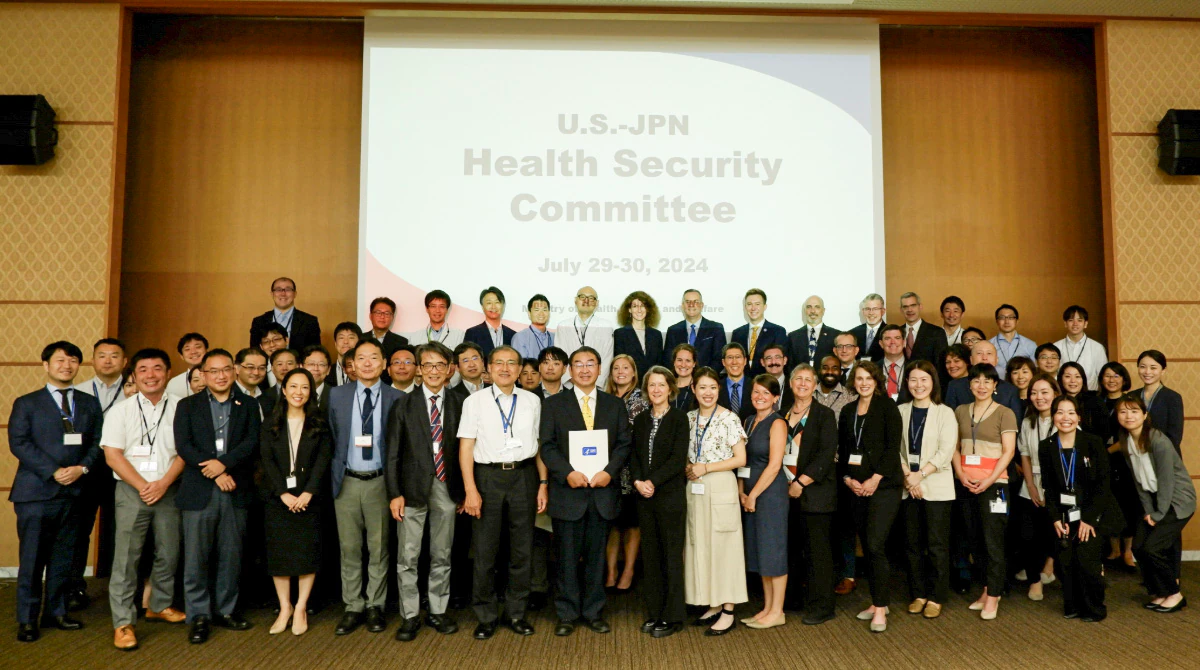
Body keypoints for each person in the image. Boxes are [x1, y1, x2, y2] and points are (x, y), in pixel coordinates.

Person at [9, 341, 103, 643]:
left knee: (65, 557)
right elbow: (19, 443)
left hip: (76, 492)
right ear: (46, 365)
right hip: (36, 493)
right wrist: (53, 471)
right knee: (33, 559)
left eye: (73, 360)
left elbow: (97, 443)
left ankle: (57, 612)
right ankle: (27, 619)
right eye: (60, 361)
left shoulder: (89, 403)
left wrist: (82, 469)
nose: (67, 365)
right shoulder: (27, 402)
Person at [540, 346, 633, 636]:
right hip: (568, 493)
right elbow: (547, 446)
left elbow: (624, 445)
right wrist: (567, 473)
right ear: (569, 370)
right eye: (578, 364)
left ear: (599, 368)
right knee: (566, 557)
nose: (584, 369)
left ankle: (593, 611)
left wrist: (609, 472)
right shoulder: (554, 404)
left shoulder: (614, 404)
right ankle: (567, 613)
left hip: (602, 493)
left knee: (597, 558)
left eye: (590, 364)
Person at [457, 346, 547, 639]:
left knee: (522, 549)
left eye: (512, 363)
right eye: (499, 363)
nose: (505, 368)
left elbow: (540, 448)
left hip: (524, 477)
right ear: (489, 368)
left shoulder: (533, 401)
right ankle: (485, 615)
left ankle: (516, 613)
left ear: (520, 370)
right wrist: (470, 490)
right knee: (485, 550)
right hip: (488, 477)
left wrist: (543, 484)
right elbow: (466, 448)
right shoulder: (475, 401)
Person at [173, 348, 261, 644]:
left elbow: (252, 442)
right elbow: (184, 445)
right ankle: (198, 614)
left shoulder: (248, 404)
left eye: (226, 370)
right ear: (203, 375)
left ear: (235, 371)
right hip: (200, 489)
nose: (220, 376)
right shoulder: (187, 405)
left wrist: (226, 464)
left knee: (231, 554)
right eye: (213, 371)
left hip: (236, 489)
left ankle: (227, 610)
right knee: (196, 556)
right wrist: (215, 470)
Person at [101, 348, 187, 650]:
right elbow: (112, 455)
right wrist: (142, 485)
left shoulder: (182, 407)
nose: (151, 375)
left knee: (170, 551)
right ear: (133, 376)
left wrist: (163, 483)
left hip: (169, 488)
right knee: (126, 558)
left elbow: (185, 453)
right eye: (144, 370)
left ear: (167, 373)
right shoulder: (120, 411)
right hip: (130, 490)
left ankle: (158, 604)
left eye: (158, 369)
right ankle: (123, 622)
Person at [385, 341, 465, 641]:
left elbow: (466, 449)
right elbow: (392, 453)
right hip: (411, 490)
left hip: (448, 486)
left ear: (449, 370)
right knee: (408, 556)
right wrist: (394, 493)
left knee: (442, 554)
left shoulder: (460, 402)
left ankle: (438, 610)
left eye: (440, 365)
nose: (434, 371)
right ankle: (409, 615)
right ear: (419, 370)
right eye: (428, 365)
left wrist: (464, 491)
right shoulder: (403, 404)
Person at [327, 340, 404, 636]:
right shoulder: (336, 395)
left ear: (384, 364)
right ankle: (352, 606)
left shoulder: (396, 397)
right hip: (346, 480)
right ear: (352, 365)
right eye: (361, 358)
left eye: (374, 358)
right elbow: (331, 438)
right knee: (349, 548)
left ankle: (375, 605)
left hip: (381, 482)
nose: (368, 363)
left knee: (379, 547)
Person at [260, 368, 331, 637]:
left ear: (310, 392)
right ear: (284, 390)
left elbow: (324, 460)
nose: (298, 392)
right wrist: (282, 493)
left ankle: (301, 607)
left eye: (304, 387)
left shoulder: (319, 423)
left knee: (307, 553)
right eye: (293, 387)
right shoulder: (270, 423)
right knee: (279, 555)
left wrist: (308, 493)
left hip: (309, 498)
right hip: (279, 499)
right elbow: (266, 461)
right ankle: (284, 606)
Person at [1040, 395, 1123, 622]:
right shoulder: (1046, 446)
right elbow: (1048, 485)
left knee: (1087, 561)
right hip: (1064, 513)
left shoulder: (1092, 442)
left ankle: (1094, 608)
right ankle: (1072, 605)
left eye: (1070, 412)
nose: (1065, 418)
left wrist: (1088, 519)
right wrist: (1055, 517)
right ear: (1053, 415)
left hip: (1092, 513)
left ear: (1078, 416)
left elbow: (1103, 485)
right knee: (1066, 562)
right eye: (1059, 412)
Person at [838, 362, 903, 633]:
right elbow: (842, 449)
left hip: (883, 487)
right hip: (855, 486)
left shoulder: (888, 407)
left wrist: (875, 479)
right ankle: (880, 602)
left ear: (877, 381)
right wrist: (847, 479)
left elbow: (892, 447)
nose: (863, 383)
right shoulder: (848, 410)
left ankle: (879, 607)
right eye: (859, 378)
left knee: (875, 545)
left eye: (868, 378)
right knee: (865, 542)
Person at [1116, 395, 1195, 613]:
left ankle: (1175, 594)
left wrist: (1159, 514)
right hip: (1154, 502)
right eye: (1123, 411)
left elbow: (1167, 481)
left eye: (1134, 411)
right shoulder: (1126, 440)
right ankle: (1160, 592)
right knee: (1139, 547)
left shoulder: (1158, 440)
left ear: (1145, 415)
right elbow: (1139, 482)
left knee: (1153, 548)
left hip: (1177, 501)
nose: (1128, 416)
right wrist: (1149, 511)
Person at [684, 367, 748, 636]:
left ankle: (729, 610)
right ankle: (712, 603)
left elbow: (740, 459)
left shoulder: (729, 418)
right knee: (700, 546)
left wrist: (706, 468)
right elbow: (685, 452)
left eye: (712, 387)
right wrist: (690, 466)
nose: (707, 393)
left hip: (720, 485)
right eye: (702, 388)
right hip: (694, 487)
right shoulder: (687, 418)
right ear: (693, 389)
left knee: (725, 548)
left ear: (718, 390)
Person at [953, 363, 1017, 620]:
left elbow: (1009, 451)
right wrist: (961, 474)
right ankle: (986, 589)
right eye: (976, 381)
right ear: (969, 385)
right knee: (974, 539)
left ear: (995, 386)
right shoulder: (959, 411)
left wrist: (989, 480)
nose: (981, 386)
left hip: (995, 486)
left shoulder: (1005, 413)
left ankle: (994, 595)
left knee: (993, 542)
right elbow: (954, 448)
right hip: (967, 483)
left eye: (987, 382)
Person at [630, 366, 689, 638]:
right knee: (650, 558)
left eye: (661, 385)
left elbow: (677, 460)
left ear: (670, 388)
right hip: (645, 498)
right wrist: (638, 481)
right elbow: (635, 457)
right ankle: (654, 613)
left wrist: (653, 481)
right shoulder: (641, 420)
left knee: (671, 557)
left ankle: (672, 615)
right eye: (651, 385)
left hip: (669, 497)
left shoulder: (679, 419)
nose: (656, 390)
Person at [69, 337, 127, 611]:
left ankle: (126, 589)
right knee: (79, 530)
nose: (108, 360)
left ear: (124, 362)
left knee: (125, 531)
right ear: (92, 360)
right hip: (88, 469)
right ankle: (74, 586)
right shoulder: (77, 391)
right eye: (102, 355)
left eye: (114, 355)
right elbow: (70, 435)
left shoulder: (134, 390)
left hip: (124, 469)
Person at [780, 364, 839, 625]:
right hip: (784, 493)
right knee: (792, 549)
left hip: (814, 494)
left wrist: (800, 483)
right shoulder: (782, 414)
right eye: (798, 379)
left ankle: (822, 606)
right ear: (790, 383)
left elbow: (826, 455)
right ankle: (793, 599)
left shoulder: (824, 415)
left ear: (815, 385)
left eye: (808, 380)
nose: (803, 383)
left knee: (818, 553)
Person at [899, 360, 957, 620]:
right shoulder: (899, 410)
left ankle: (936, 596)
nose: (918, 385)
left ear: (933, 382)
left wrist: (919, 476)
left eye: (924, 379)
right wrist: (909, 479)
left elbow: (945, 452)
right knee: (911, 544)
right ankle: (918, 593)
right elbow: (895, 449)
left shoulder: (945, 413)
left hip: (936, 487)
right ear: (906, 383)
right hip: (907, 486)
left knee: (937, 545)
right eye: (913, 379)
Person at [739, 375, 789, 629]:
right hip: (749, 494)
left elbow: (774, 465)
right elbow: (742, 461)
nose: (759, 397)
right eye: (756, 392)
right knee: (761, 553)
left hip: (770, 496)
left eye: (765, 393)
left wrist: (754, 495)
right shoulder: (748, 421)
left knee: (774, 552)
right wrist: (742, 492)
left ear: (775, 397)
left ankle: (777, 610)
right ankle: (767, 608)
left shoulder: (777, 423)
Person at [603, 354, 649, 592]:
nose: (620, 371)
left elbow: (637, 437)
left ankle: (629, 570)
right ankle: (610, 571)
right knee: (611, 524)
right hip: (606, 472)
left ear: (633, 372)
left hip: (632, 471)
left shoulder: (641, 399)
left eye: (626, 367)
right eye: (616, 368)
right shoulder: (603, 398)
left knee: (631, 524)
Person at [1016, 374, 1061, 602]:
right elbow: (1024, 454)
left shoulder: (1064, 419)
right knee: (1027, 535)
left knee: (1052, 532)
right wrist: (1031, 485)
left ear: (1055, 394)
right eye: (1034, 393)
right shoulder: (1027, 421)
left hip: (1058, 486)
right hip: (1030, 483)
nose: (1039, 397)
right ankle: (1035, 581)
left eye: (1044, 392)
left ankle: (1049, 567)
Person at [1099, 362, 1139, 571]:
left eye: (1116, 376)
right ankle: (1114, 550)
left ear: (1124, 379)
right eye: (1107, 376)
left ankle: (1128, 552)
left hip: (1125, 460)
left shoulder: (1130, 402)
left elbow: (1131, 434)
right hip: (1103, 462)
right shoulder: (1098, 402)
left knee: (1129, 505)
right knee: (1109, 503)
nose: (1111, 380)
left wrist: (1106, 452)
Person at [944, 341, 1024, 419]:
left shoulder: (1010, 390)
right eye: (979, 353)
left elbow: (1016, 423)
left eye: (989, 353)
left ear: (997, 360)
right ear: (971, 360)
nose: (984, 358)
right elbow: (950, 420)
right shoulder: (955, 386)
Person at [556, 286, 615, 386]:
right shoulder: (563, 326)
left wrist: (595, 381)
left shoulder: (606, 326)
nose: (586, 300)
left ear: (597, 303)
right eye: (582, 297)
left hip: (596, 385)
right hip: (570, 385)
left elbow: (607, 358)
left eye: (591, 298)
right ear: (575, 300)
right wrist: (570, 379)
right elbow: (560, 356)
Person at [250, 276, 321, 353]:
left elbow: (314, 353)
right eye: (278, 289)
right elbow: (255, 353)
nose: (283, 293)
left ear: (295, 294)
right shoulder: (258, 322)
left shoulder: (309, 321)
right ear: (272, 294)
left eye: (288, 289)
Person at [664, 289, 727, 372]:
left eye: (696, 302)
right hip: (680, 380)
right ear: (683, 305)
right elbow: (668, 360)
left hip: (707, 381)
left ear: (702, 305)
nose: (691, 305)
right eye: (687, 302)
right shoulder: (673, 330)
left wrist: (703, 377)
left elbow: (719, 359)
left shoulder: (716, 328)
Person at [1137, 350, 1184, 453]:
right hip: (1136, 454)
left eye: (1153, 368)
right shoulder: (1132, 396)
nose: (1147, 372)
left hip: (1164, 455)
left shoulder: (1172, 397)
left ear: (1163, 370)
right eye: (1143, 367)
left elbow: (1175, 436)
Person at [732, 289, 787, 377]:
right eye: (749, 304)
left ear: (765, 307)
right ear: (745, 307)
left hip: (767, 383)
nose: (753, 308)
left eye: (757, 304)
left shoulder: (778, 331)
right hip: (744, 383)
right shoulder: (737, 333)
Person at [1054, 306, 1107, 391]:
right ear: (1065, 323)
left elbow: (1103, 376)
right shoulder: (1056, 347)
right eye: (1071, 320)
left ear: (1085, 324)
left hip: (1089, 396)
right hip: (1062, 397)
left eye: (1079, 320)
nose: (1075, 324)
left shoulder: (1097, 348)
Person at [614, 290, 664, 379]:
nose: (639, 310)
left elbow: (659, 364)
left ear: (648, 309)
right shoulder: (620, 334)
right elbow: (620, 364)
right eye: (635, 306)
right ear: (629, 310)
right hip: (630, 384)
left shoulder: (656, 335)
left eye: (642, 306)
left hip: (652, 384)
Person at [787, 294, 841, 370]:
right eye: (809, 307)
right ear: (805, 310)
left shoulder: (836, 335)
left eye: (817, 307)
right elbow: (790, 366)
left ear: (823, 311)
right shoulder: (793, 337)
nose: (812, 311)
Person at [464, 286, 516, 358]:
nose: (493, 307)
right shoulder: (472, 333)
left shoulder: (513, 335)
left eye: (497, 302)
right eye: (489, 303)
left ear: (503, 306)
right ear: (482, 307)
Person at [988, 304, 1036, 378]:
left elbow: (1034, 370)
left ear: (1017, 321)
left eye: (1011, 317)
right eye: (1002, 318)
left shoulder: (1030, 344)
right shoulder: (989, 345)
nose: (1006, 321)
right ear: (997, 321)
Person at [898, 292, 947, 364]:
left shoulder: (937, 332)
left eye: (913, 305)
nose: (909, 310)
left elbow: (940, 364)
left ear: (920, 306)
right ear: (901, 310)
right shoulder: (897, 332)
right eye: (905, 307)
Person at [1058, 363, 1106, 435]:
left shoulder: (1095, 401)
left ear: (1083, 380)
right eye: (1068, 376)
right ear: (1060, 379)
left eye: (1077, 376)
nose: (1073, 381)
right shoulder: (1057, 402)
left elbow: (1104, 432)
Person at [717, 343, 756, 422]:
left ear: (745, 361)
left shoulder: (755, 386)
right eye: (730, 357)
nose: (734, 362)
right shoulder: (715, 387)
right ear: (723, 362)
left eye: (738, 357)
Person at [364, 297, 410, 364]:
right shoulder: (360, 339)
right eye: (378, 312)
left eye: (387, 313)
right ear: (370, 316)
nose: (382, 317)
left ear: (392, 318)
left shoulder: (401, 342)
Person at [512, 294, 555, 360]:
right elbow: (521, 365)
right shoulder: (520, 337)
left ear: (549, 313)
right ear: (529, 314)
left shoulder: (555, 337)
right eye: (537, 310)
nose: (541, 313)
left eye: (545, 310)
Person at [847, 293, 888, 362]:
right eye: (867, 309)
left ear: (883, 311)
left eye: (875, 309)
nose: (871, 313)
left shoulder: (891, 332)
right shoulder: (853, 333)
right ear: (863, 311)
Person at [166, 333, 208, 398]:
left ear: (206, 351)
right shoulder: (174, 383)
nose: (193, 352)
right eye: (187, 349)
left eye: (198, 347)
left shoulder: (219, 376)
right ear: (182, 356)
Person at [259, 348, 298, 416]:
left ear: (297, 366)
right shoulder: (263, 397)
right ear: (272, 368)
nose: (284, 368)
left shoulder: (305, 393)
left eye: (289, 363)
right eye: (279, 364)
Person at [815, 355, 854, 420]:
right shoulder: (808, 393)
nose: (830, 372)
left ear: (841, 372)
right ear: (819, 371)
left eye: (835, 368)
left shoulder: (850, 397)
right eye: (825, 368)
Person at [878, 324, 909, 403]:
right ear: (881, 344)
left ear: (904, 342)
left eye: (897, 338)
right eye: (887, 338)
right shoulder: (872, 369)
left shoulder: (914, 367)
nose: (892, 342)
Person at [301, 345, 335, 415]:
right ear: (301, 367)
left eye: (321, 364)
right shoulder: (293, 394)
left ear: (328, 369)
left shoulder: (336, 395)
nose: (316, 369)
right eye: (311, 364)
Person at [759, 344, 790, 411]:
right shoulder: (755, 386)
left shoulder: (794, 385)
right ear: (762, 362)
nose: (773, 362)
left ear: (785, 360)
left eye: (777, 357)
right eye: (769, 358)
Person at [332, 322, 363, 386]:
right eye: (341, 338)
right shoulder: (327, 371)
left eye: (351, 338)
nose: (346, 342)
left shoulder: (366, 369)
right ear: (335, 343)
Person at [670, 343, 697, 411]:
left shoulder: (699, 386)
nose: (683, 365)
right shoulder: (667, 385)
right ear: (674, 362)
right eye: (679, 360)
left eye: (688, 361)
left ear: (694, 364)